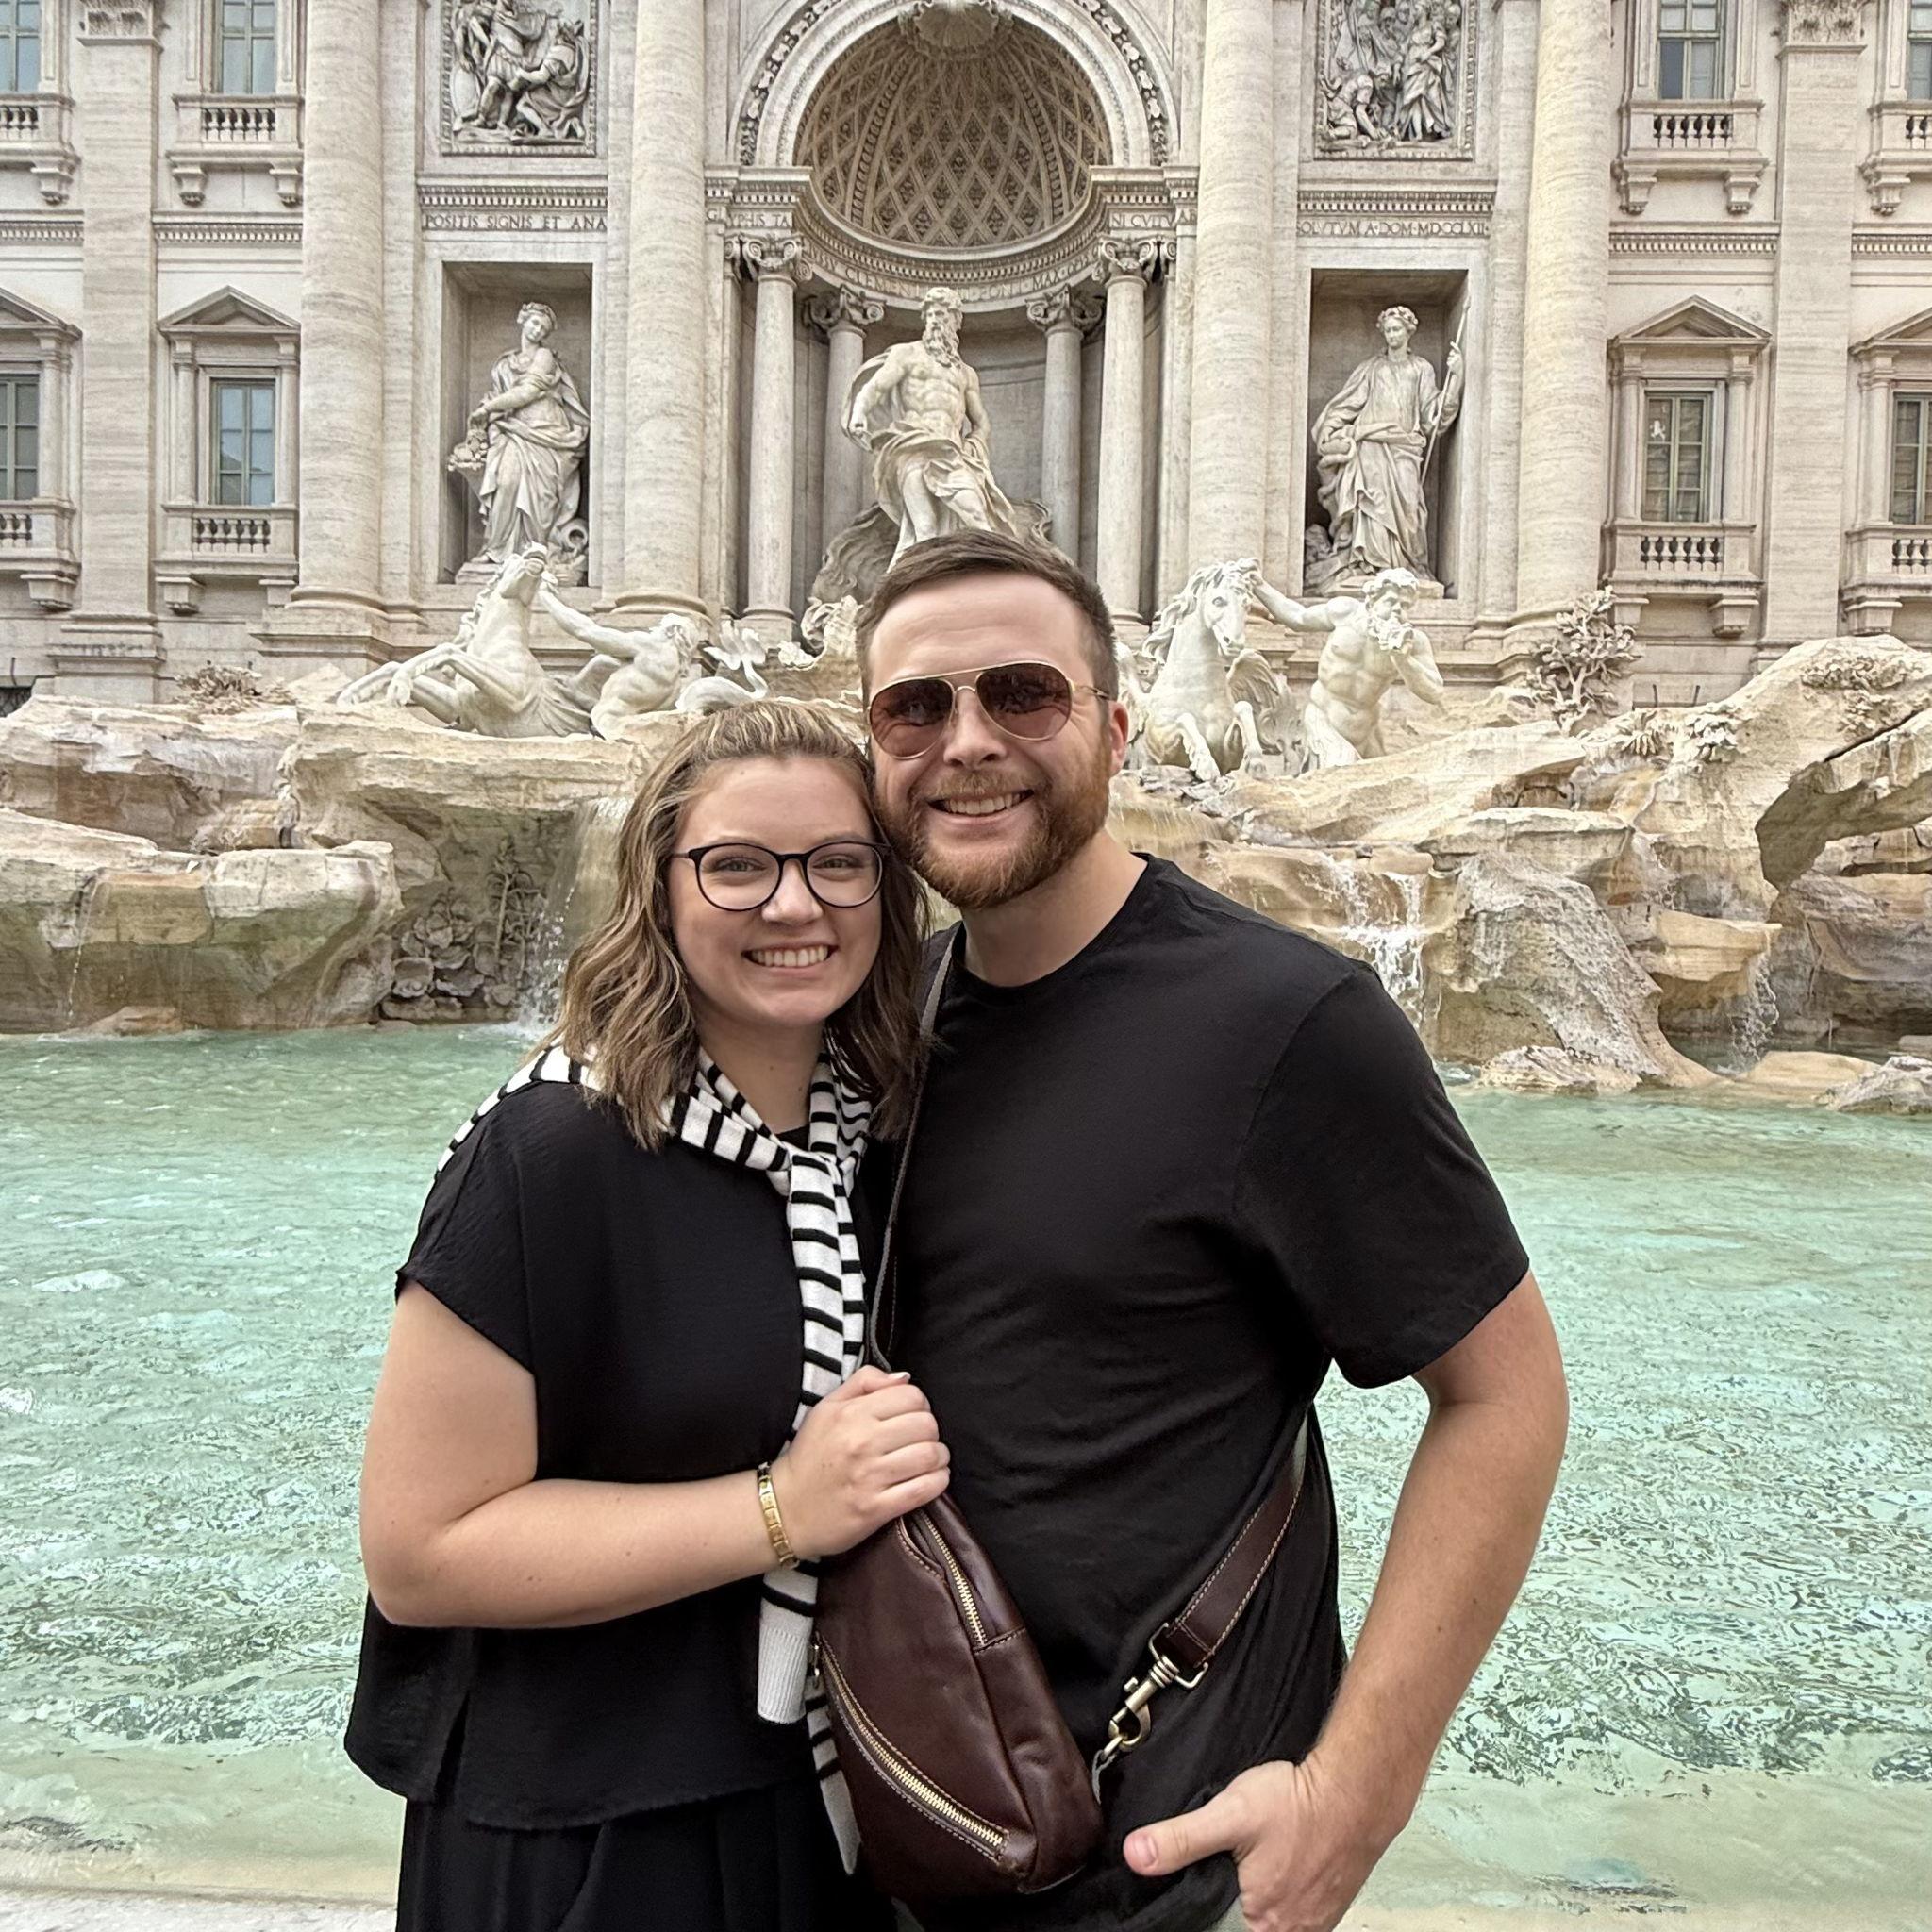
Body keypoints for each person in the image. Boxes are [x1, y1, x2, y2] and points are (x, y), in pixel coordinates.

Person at [856, 529, 1569, 1932]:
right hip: (917, 1821)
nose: (969, 743)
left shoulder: (1288, 1022)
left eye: (1024, 695)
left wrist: (1358, 1793)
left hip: (1166, 1854)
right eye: (915, 708)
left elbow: (1507, 1396)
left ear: (1119, 729)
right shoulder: (886, 1019)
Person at [345, 702, 940, 1932]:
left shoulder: (880, 1134)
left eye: (839, 863)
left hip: (830, 1806)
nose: (795, 905)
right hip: (587, 1830)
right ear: (659, 888)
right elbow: (419, 1554)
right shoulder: (551, 1150)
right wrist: (782, 1508)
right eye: (738, 866)